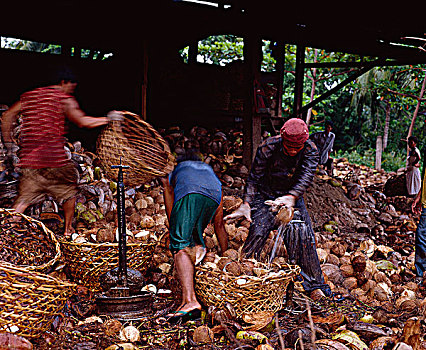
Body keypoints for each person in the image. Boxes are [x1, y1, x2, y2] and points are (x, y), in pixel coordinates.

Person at [0, 65, 122, 236]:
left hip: (31, 161)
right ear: (64, 82)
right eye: (72, 86)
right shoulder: (63, 99)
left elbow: (7, 116)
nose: (72, 90)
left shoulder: (30, 96)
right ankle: (68, 230)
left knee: (23, 201)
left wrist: (9, 144)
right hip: (54, 161)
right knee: (70, 192)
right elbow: (83, 121)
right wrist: (107, 119)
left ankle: (5, 234)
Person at [224, 118, 332, 297]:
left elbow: (306, 177)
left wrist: (291, 197)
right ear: (282, 139)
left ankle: (312, 284)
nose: (292, 150)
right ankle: (246, 277)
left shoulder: (311, 150)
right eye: (288, 146)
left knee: (302, 235)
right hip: (266, 195)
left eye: (296, 147)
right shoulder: (268, 147)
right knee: (258, 231)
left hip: (292, 197)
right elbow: (254, 177)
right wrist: (246, 204)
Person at [160, 148, 228, 323]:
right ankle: (185, 301)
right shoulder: (208, 172)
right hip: (215, 193)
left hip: (190, 192)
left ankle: (191, 301)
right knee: (194, 241)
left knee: (180, 245)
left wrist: (175, 229)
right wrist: (225, 255)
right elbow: (219, 224)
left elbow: (169, 195)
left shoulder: (178, 170)